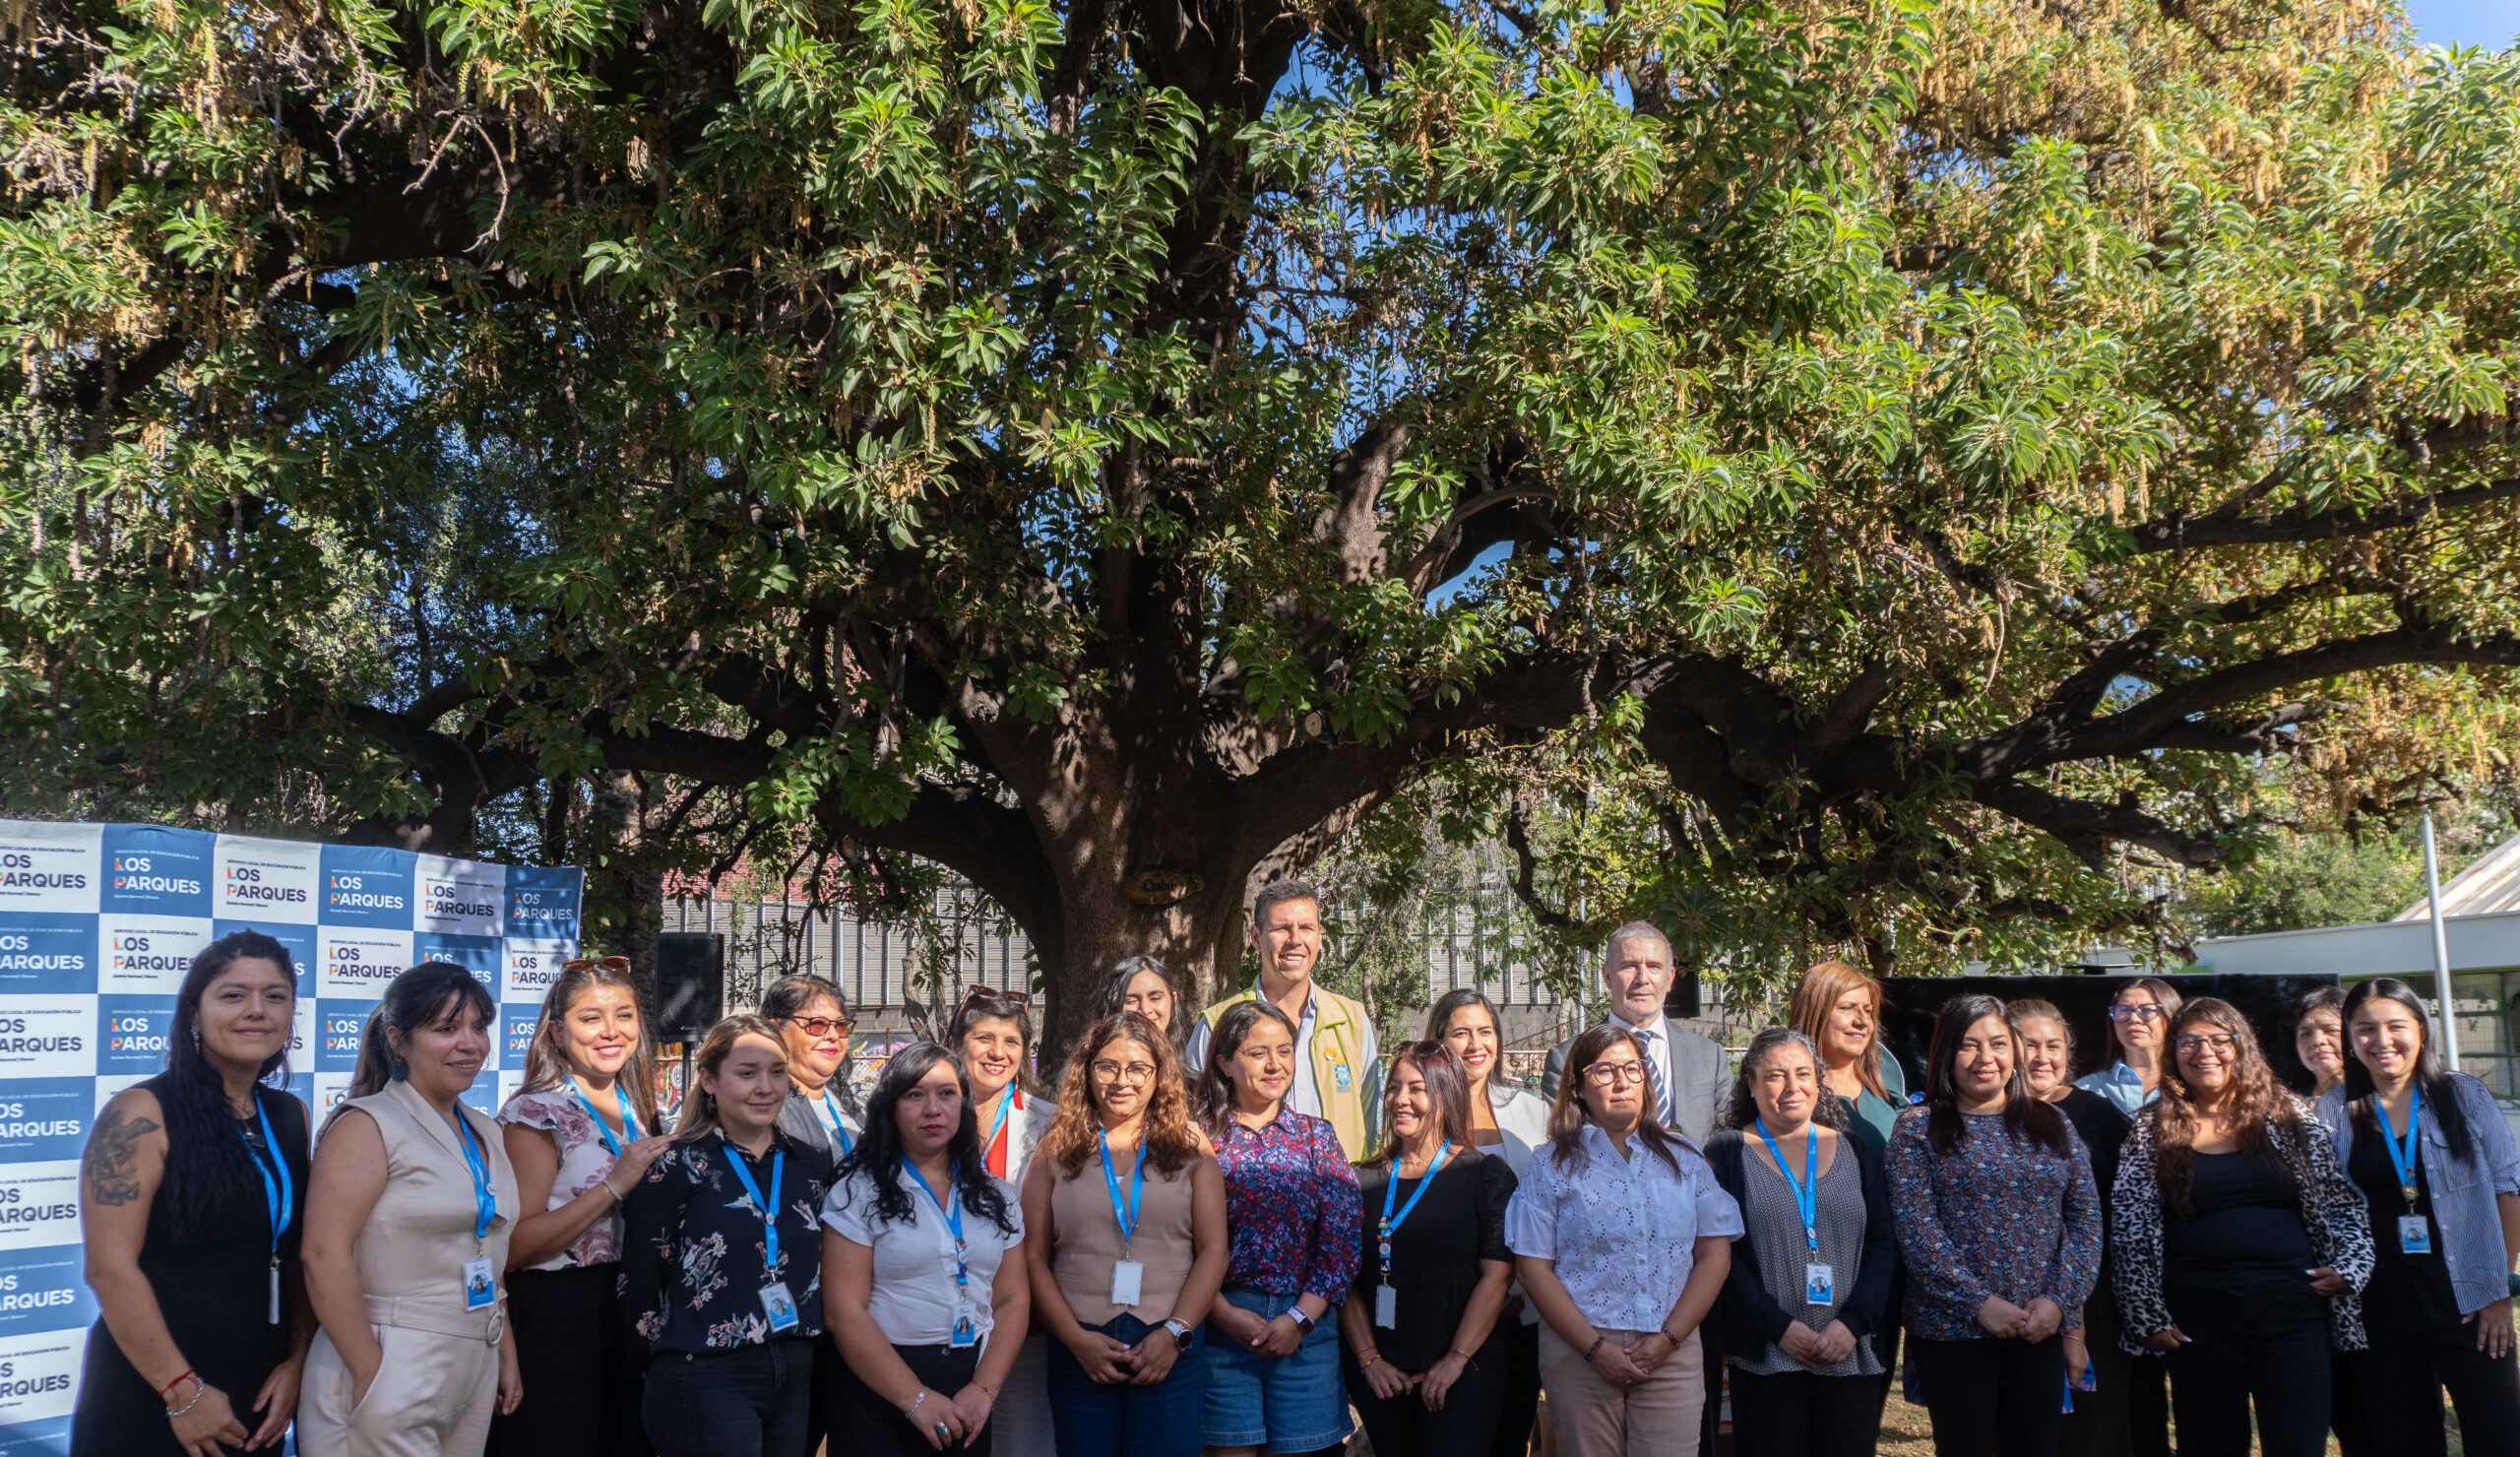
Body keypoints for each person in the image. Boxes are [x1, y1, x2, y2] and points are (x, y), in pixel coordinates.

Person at [74, 929, 313, 1457]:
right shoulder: (138, 1114)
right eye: (234, 995)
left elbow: (295, 1251)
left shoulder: (290, 1116)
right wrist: (183, 1392)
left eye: (275, 996)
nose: (257, 1010)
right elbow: (109, 1269)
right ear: (193, 1015)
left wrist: (298, 1360)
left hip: (258, 1395)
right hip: (156, 1392)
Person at [2109, 998, 2371, 1457]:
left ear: (2241, 1046)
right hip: (2197, 1318)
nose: (2204, 1052)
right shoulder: (2151, 1127)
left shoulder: (2287, 1114)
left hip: (2293, 1311)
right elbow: (2128, 1229)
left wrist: (2352, 1267)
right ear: (2173, 1051)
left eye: (2218, 1040)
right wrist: (2145, 1313)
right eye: (2189, 1041)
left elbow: (2341, 1202)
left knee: (2298, 1445)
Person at [298, 962, 523, 1455]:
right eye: (447, 1029)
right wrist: (370, 1372)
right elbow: (321, 1254)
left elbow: (485, 1251)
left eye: (478, 1027)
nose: (470, 1044)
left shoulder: (486, 1129)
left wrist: (503, 1348)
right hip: (388, 1355)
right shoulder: (366, 1125)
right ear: (398, 1041)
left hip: (474, 1357)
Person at [1508, 1024, 1740, 1457]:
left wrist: (1668, 1339)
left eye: (1633, 1069)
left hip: (1671, 1349)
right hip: (1579, 1354)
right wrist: (1595, 1349)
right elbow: (1533, 1268)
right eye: (1605, 1071)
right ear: (1577, 1088)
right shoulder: (1550, 1165)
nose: (1622, 1081)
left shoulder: (1686, 1159)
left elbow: (1714, 1256)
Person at [1887, 993, 2099, 1457]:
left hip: (2038, 1326)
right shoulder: (1917, 1128)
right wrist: (1979, 1303)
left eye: (1998, 1044)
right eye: (1969, 1045)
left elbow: (2085, 1222)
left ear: (2014, 1051)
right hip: (1952, 1330)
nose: (1986, 1058)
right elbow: (1916, 1230)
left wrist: (2058, 1302)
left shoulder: (2053, 1122)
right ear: (1946, 1052)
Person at [2316, 977, 2520, 1457]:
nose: (2381, 1040)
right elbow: (2324, 1201)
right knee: (2403, 1439)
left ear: (2421, 1031)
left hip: (2468, 1296)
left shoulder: (2464, 1095)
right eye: (2365, 1029)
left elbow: (2508, 1188)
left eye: (2395, 1026)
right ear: (2350, 1038)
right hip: (2378, 1303)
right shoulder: (2334, 1108)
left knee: (2500, 1435)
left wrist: (2499, 1291)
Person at [622, 1013, 837, 1457]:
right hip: (705, 1369)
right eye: (747, 1073)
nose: (766, 1087)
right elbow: (641, 1280)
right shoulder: (675, 1164)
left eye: (777, 1072)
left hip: (794, 1367)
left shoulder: (812, 1163)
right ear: (709, 1079)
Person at [1024, 1010, 1229, 1457]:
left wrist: (1175, 1333)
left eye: (1138, 1068)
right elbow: (1033, 1256)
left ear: (1159, 1075)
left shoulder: (1192, 1146)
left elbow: (1214, 1251)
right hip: (1080, 1350)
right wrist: (1075, 1340)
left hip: (1169, 1347)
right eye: (1107, 1066)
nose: (1122, 1080)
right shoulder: (1055, 1148)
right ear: (1087, 1071)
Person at [491, 955, 672, 1457]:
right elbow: (512, 1247)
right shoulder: (535, 1113)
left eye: (624, 1015)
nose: (611, 1031)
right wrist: (613, 1186)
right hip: (561, 1312)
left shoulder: (643, 1108)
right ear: (556, 1032)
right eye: (591, 1017)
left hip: (633, 1305)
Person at [823, 1042, 1031, 1457]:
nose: (933, 1109)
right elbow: (844, 1312)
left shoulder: (996, 1195)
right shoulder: (856, 1193)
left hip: (969, 1389)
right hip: (880, 1386)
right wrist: (915, 1399)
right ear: (891, 1108)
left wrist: (984, 1389)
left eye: (946, 1094)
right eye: (915, 1095)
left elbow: (1013, 1300)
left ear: (963, 1105)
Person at [1701, 1029, 1893, 1457]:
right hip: (1767, 1356)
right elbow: (1721, 1254)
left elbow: (1883, 1243)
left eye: (1803, 1074)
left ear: (1818, 1082)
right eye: (1775, 1075)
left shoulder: (1856, 1150)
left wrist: (1853, 1323)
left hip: (1849, 1352)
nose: (1792, 1086)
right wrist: (1779, 1328)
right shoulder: (1725, 1153)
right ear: (1751, 1084)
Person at [1196, 999, 1363, 1457]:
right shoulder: (1198, 1138)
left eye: (1285, 1051)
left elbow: (1342, 1240)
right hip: (1219, 1327)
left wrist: (1300, 1318)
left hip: (1306, 1329)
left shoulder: (1316, 1136)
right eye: (1257, 1053)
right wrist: (1222, 1314)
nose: (1275, 1065)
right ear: (1225, 1063)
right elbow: (1177, 1240)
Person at [1341, 1042, 1517, 1457]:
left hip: (1466, 1368)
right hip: (1381, 1372)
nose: (1400, 1099)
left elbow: (1498, 1276)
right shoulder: (1357, 1179)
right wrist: (1369, 1360)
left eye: (1416, 1088)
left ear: (1446, 1094)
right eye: (1393, 1087)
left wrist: (1455, 1359)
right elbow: (1342, 1280)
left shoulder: (1485, 1174)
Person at [1423, 988, 1551, 1457]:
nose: (1476, 1044)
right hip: (1449, 1314)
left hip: (1524, 1312)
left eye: (1485, 1031)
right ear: (1440, 1040)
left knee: (1511, 1437)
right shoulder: (1421, 1110)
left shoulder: (1532, 1111)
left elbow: (1552, 1210)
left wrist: (1516, 1291)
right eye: (1461, 1033)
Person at [2010, 997, 2139, 1457]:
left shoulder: (2097, 1112)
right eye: (2029, 1045)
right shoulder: (1982, 1112)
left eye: (2054, 1046)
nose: (2042, 1057)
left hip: (2091, 1290)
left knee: (2096, 1423)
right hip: (2010, 1296)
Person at [1186, 879, 1382, 1162]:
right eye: (1281, 929)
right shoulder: (1218, 1023)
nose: (1295, 940)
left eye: (1306, 928)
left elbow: (1368, 1121)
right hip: (1241, 1186)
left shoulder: (1352, 1021)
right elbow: (1193, 1120)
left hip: (1339, 1185)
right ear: (1256, 937)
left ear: (1319, 936)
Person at [948, 989, 1057, 1457]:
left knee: (1020, 1441)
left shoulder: (1050, 1126)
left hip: (1021, 1314)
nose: (998, 1052)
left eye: (1011, 1041)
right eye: (984, 1038)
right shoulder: (923, 1116)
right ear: (956, 1043)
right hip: (939, 1316)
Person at [1539, 922, 1731, 1147]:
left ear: (1670, 978)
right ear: (1607, 976)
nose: (1642, 979)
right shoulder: (1567, 1060)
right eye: (1629, 966)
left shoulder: (1709, 1057)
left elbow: (1726, 1144)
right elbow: (1565, 1144)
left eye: (1654, 966)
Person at [1788, 961, 1909, 1153]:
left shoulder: (1886, 1081)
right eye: (1847, 1008)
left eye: (1867, 1010)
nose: (1863, 1021)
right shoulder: (1785, 1093)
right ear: (1814, 1013)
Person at [768, 974, 863, 1159]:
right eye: (817, 1024)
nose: (834, 1035)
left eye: (841, 1025)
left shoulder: (852, 1104)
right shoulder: (761, 1108)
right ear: (775, 1030)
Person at [2075, 978, 2184, 1116]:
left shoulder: (2192, 1086)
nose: (2133, 1019)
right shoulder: (2086, 1090)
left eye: (2147, 1010)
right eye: (2123, 1010)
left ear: (2171, 1017)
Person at [1093, 955, 1189, 1060]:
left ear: (1173, 1001)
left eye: (1155, 998)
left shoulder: (1183, 1069)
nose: (1145, 1009)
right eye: (1131, 1001)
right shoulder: (1096, 1068)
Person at [2292, 986, 2348, 1099]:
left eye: (2331, 1030)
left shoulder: (2376, 1098)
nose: (2317, 1041)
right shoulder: (2290, 1102)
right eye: (2305, 1034)